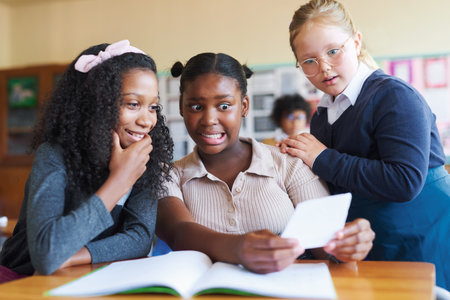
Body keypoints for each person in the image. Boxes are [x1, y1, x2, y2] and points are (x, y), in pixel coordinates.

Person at [281, 0, 450, 289]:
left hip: (422, 236)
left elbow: (405, 181)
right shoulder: (322, 114)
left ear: (356, 42)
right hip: (373, 242)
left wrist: (320, 157)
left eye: (333, 51)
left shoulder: (394, 96)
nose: (323, 67)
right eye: (308, 61)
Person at [156, 52, 375, 274]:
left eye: (224, 106)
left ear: (243, 106)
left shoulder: (289, 163)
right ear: (182, 108)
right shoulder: (169, 175)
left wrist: (346, 244)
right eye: (195, 107)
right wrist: (239, 247)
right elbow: (178, 233)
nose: (209, 119)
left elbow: (326, 247)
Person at [0, 40, 173, 283]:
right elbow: (47, 255)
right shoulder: (54, 155)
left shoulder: (144, 157)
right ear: (96, 104)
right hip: (23, 278)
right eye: (133, 104)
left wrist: (75, 256)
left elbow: (140, 237)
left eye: (153, 106)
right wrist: (119, 181)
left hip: (89, 276)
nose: (147, 120)